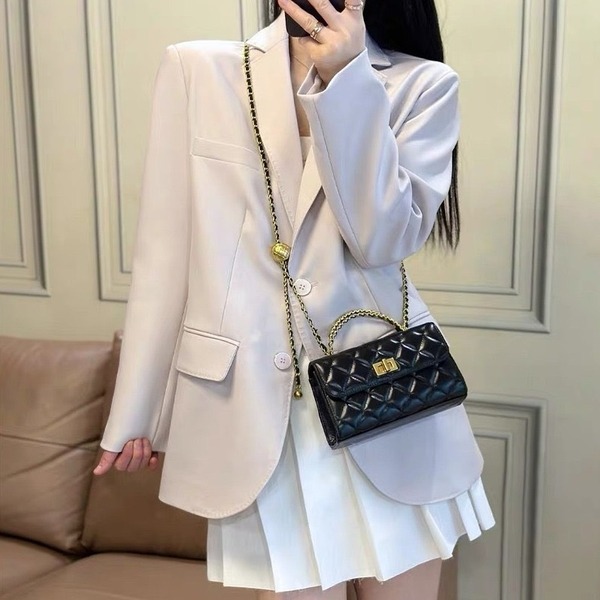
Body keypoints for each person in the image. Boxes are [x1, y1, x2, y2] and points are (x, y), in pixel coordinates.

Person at [93, 1, 496, 598]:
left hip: (385, 401)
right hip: (256, 419)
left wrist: (347, 80)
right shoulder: (198, 70)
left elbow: (381, 240)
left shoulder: (424, 84)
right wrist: (139, 411)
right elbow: (165, 252)